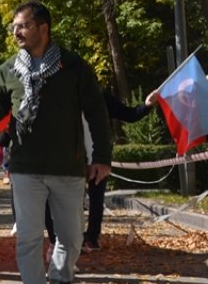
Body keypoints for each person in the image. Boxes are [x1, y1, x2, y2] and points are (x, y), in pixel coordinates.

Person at [0, 0, 112, 284]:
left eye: (23, 25)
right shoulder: (8, 69)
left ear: (44, 28)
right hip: (25, 167)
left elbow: (97, 113)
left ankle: (61, 277)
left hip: (68, 168)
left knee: (70, 238)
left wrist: (101, 158)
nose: (16, 32)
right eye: (14, 26)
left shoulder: (74, 66)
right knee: (28, 236)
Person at [44, 89, 158, 251]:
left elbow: (129, 114)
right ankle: (61, 240)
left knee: (96, 200)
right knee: (68, 201)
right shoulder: (62, 96)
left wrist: (146, 105)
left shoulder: (101, 97)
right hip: (71, 159)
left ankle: (91, 238)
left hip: (98, 158)